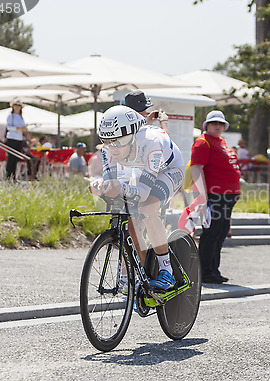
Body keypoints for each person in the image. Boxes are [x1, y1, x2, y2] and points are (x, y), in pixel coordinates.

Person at [89, 105, 184, 290]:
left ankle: (167, 272)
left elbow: (143, 192)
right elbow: (111, 183)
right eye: (107, 141)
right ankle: (138, 276)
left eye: (118, 141)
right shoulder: (108, 148)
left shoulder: (153, 142)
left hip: (170, 169)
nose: (112, 148)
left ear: (132, 136)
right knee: (131, 222)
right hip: (145, 169)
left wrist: (121, 187)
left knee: (147, 208)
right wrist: (101, 187)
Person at [190, 110, 241, 284]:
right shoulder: (203, 143)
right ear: (207, 125)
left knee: (220, 233)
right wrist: (203, 197)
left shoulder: (220, 141)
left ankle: (213, 270)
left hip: (227, 195)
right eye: (214, 123)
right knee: (211, 233)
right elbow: (196, 169)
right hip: (215, 195)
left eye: (220, 123)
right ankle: (204, 271)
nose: (217, 126)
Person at [5, 99, 27, 180]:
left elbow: (24, 127)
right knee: (11, 157)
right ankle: (8, 176)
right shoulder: (11, 116)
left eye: (19, 106)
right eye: (16, 105)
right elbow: (8, 127)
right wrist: (17, 128)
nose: (17, 107)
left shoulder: (21, 117)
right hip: (12, 138)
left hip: (19, 139)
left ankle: (13, 176)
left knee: (16, 158)